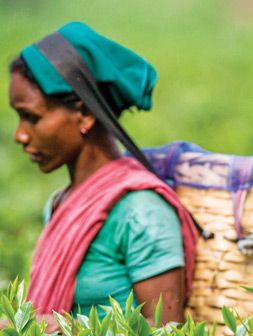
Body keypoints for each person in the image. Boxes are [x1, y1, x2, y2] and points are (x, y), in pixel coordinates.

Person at [4, 22, 197, 325]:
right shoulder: (60, 204)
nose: (20, 135)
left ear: (83, 114)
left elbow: (165, 329)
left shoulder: (142, 213)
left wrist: (63, 330)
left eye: (31, 117)